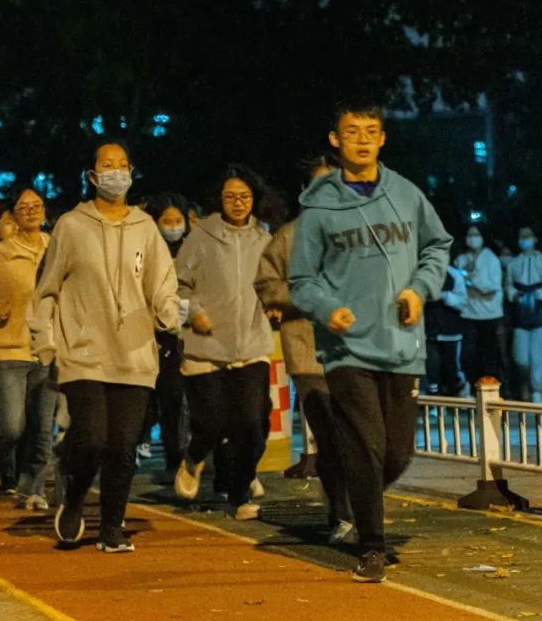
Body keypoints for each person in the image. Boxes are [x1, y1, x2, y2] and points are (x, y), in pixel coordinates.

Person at [290, 99, 451, 583]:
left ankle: (350, 495)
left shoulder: (406, 194)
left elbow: (437, 246)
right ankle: (372, 546)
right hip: (347, 350)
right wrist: (326, 309)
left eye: (370, 131)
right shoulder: (318, 207)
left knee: (397, 454)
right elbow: (301, 281)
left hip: (402, 345)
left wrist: (419, 290)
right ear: (335, 140)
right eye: (351, 131)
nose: (362, 140)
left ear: (382, 138)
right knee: (367, 445)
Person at [30, 140, 180, 553]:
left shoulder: (145, 227)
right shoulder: (70, 226)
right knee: (93, 437)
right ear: (93, 176)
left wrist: (169, 313)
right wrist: (44, 342)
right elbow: (46, 288)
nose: (116, 172)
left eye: (122, 165)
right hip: (84, 351)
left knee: (123, 444)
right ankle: (75, 494)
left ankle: (112, 527)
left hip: (134, 352)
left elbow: (162, 283)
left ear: (131, 172)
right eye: (107, 165)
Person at [255, 154, 355, 544]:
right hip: (307, 352)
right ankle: (343, 513)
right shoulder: (288, 237)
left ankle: (359, 507)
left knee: (358, 436)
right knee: (330, 435)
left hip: (357, 351)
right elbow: (267, 285)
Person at [173, 164, 274, 521]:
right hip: (207, 345)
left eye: (244, 196)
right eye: (230, 196)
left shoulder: (264, 239)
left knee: (252, 425)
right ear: (219, 199)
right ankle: (193, 456)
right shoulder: (200, 238)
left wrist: (275, 305)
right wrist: (194, 312)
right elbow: (177, 286)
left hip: (251, 344)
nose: (238, 202)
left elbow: (274, 283)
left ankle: (238, 492)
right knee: (212, 424)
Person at [0, 188, 55, 511]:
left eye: (36, 205)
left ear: (44, 211)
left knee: (42, 428)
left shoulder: (56, 249)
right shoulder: (0, 254)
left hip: (47, 349)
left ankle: (32, 489)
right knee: (12, 425)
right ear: (14, 216)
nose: (31, 211)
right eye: (23, 207)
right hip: (8, 349)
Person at [142, 192, 192, 476]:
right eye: (167, 221)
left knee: (182, 397)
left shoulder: (194, 250)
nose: (173, 226)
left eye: (178, 220)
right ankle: (169, 451)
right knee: (164, 396)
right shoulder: (148, 250)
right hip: (157, 333)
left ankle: (182, 453)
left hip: (190, 332)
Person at [506, 227, 542, 403]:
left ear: (535, 238)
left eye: (527, 236)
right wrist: (514, 294)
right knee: (520, 357)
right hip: (520, 312)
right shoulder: (513, 263)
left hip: (540, 312)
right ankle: (525, 384)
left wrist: (538, 294)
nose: (524, 239)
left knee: (539, 355)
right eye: (521, 237)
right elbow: (508, 285)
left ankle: (537, 391)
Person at [455, 225, 504, 392]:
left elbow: (491, 288)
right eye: (469, 235)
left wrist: (470, 281)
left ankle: (490, 391)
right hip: (468, 313)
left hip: (489, 314)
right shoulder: (461, 259)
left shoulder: (492, 259)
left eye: (476, 234)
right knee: (468, 355)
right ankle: (471, 386)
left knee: (489, 355)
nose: (472, 238)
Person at [425, 266, 468, 397]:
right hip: (429, 331)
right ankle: (433, 402)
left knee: (451, 370)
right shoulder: (423, 271)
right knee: (431, 369)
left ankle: (455, 399)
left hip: (450, 332)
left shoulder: (454, 274)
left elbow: (463, 302)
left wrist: (444, 296)